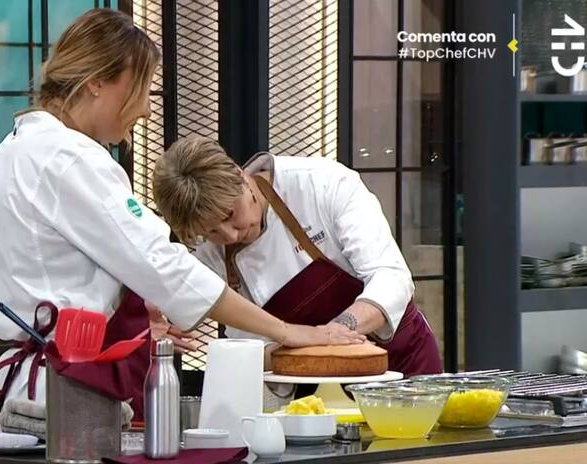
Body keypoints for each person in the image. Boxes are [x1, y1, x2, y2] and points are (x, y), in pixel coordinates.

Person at [0, 9, 365, 425]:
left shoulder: (10, 154)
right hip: (67, 391)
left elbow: (66, 273)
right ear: (97, 83)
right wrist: (287, 332)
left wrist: (141, 308)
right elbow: (165, 266)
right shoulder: (70, 160)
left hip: (30, 389)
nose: (143, 109)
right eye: (139, 88)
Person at [152, 135, 443, 381]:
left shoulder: (321, 183)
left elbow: (390, 277)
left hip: (403, 367)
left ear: (239, 176)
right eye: (211, 231)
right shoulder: (212, 258)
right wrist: (302, 341)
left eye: (230, 215)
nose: (229, 235)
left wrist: (337, 330)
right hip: (314, 396)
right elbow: (250, 348)